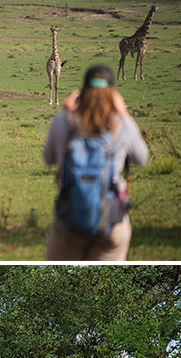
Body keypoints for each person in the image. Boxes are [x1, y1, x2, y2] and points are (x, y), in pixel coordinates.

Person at [43, 65, 149, 261]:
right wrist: (125, 115)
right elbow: (142, 158)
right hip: (113, 222)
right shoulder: (123, 124)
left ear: (82, 92)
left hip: (68, 220)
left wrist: (64, 113)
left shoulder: (63, 120)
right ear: (113, 93)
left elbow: (47, 159)